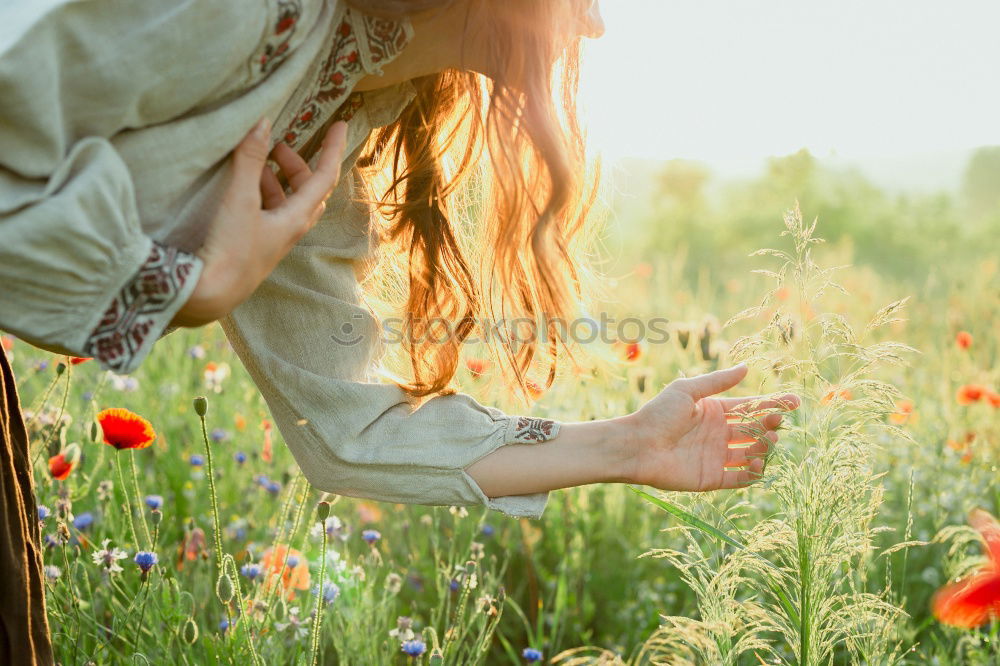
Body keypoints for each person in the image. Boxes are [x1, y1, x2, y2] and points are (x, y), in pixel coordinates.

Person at [0, 0, 799, 662]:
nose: (593, 29)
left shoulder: (334, 118)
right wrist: (191, 291)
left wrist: (627, 445)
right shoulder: (240, 13)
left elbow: (352, 428)